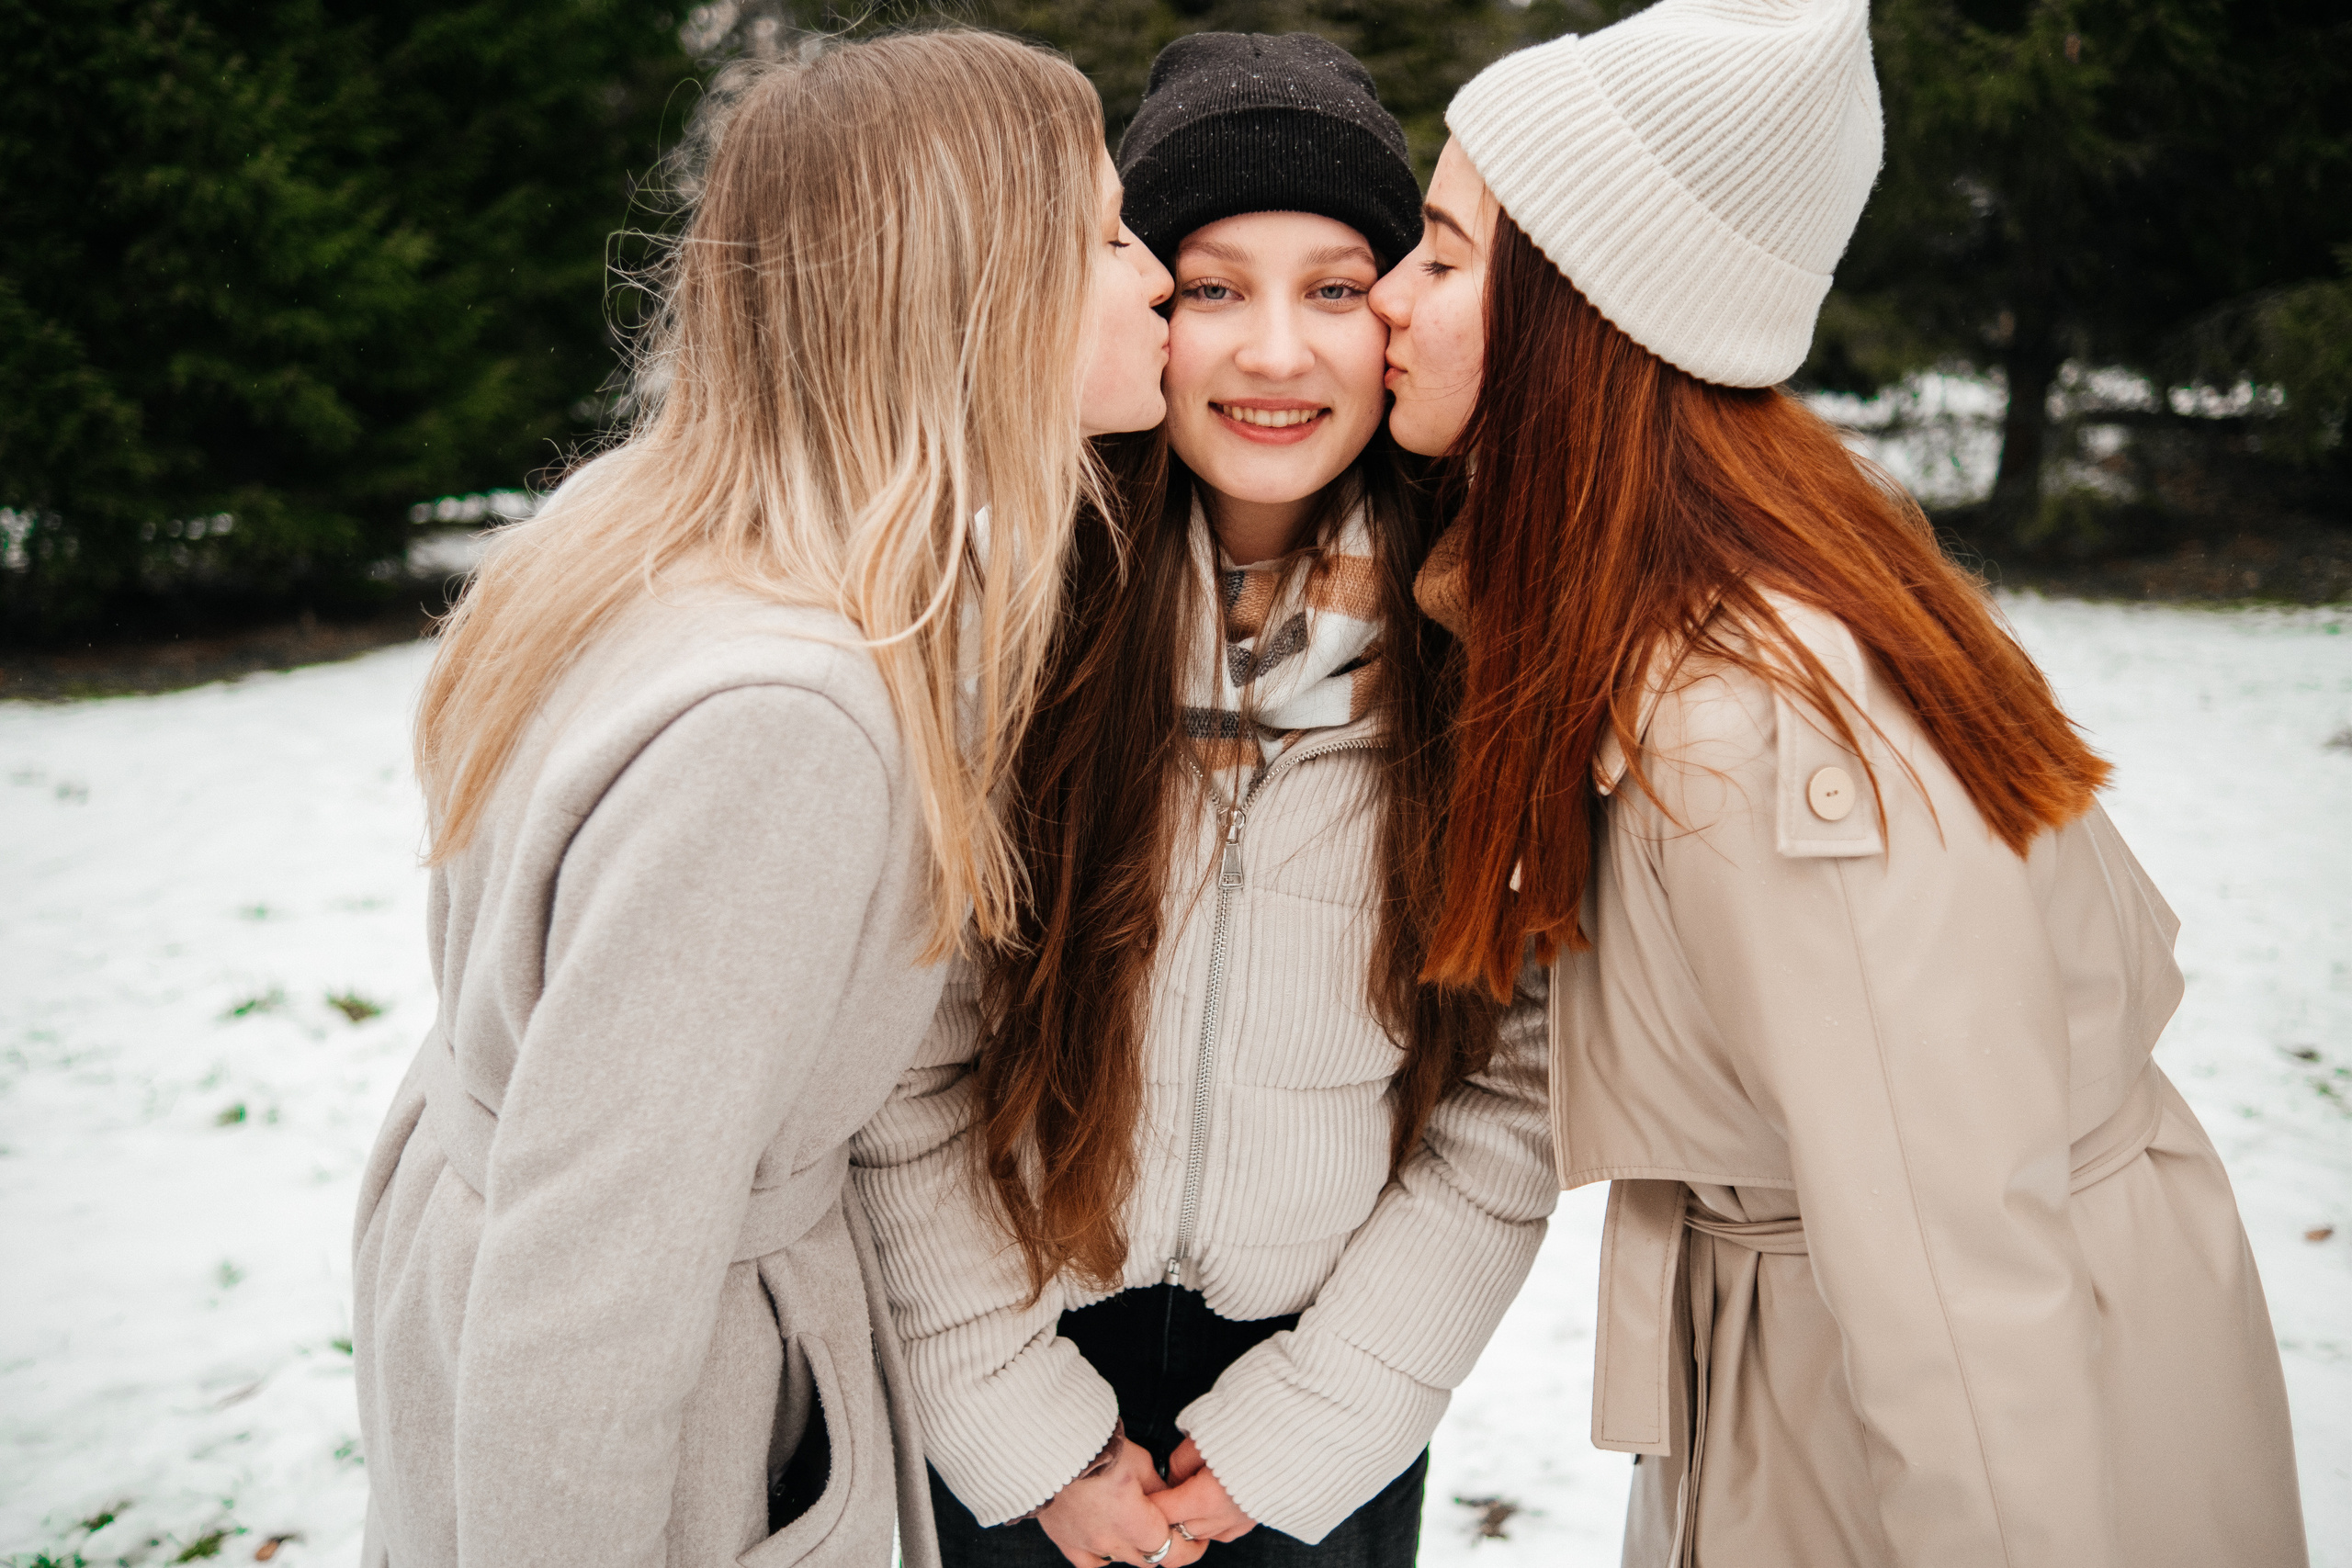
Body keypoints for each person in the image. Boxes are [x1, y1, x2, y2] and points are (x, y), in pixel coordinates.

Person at [1368, 2, 2308, 1564]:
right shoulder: (1681, 599)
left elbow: (1959, 1300)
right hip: (1795, 1383)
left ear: (1584, 318)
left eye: (1447, 258)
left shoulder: (1763, 725)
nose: (1392, 299)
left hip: (1931, 1439)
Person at [349, 30, 1174, 1568]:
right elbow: (596, 1270)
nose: (1155, 277)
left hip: (499, 1290)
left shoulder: (652, 524)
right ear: (978, 294)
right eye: (1107, 236)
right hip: (647, 1416)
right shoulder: (790, 721)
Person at [854, 33, 1556, 1568]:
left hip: (1322, 1390)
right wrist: (1014, 1418)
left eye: (1336, 287)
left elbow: (1517, 1089)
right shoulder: (998, 624)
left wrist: (1325, 1412)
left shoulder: (1489, 644)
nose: (1275, 356)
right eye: (1211, 287)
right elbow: (903, 1060)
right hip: (1012, 1369)